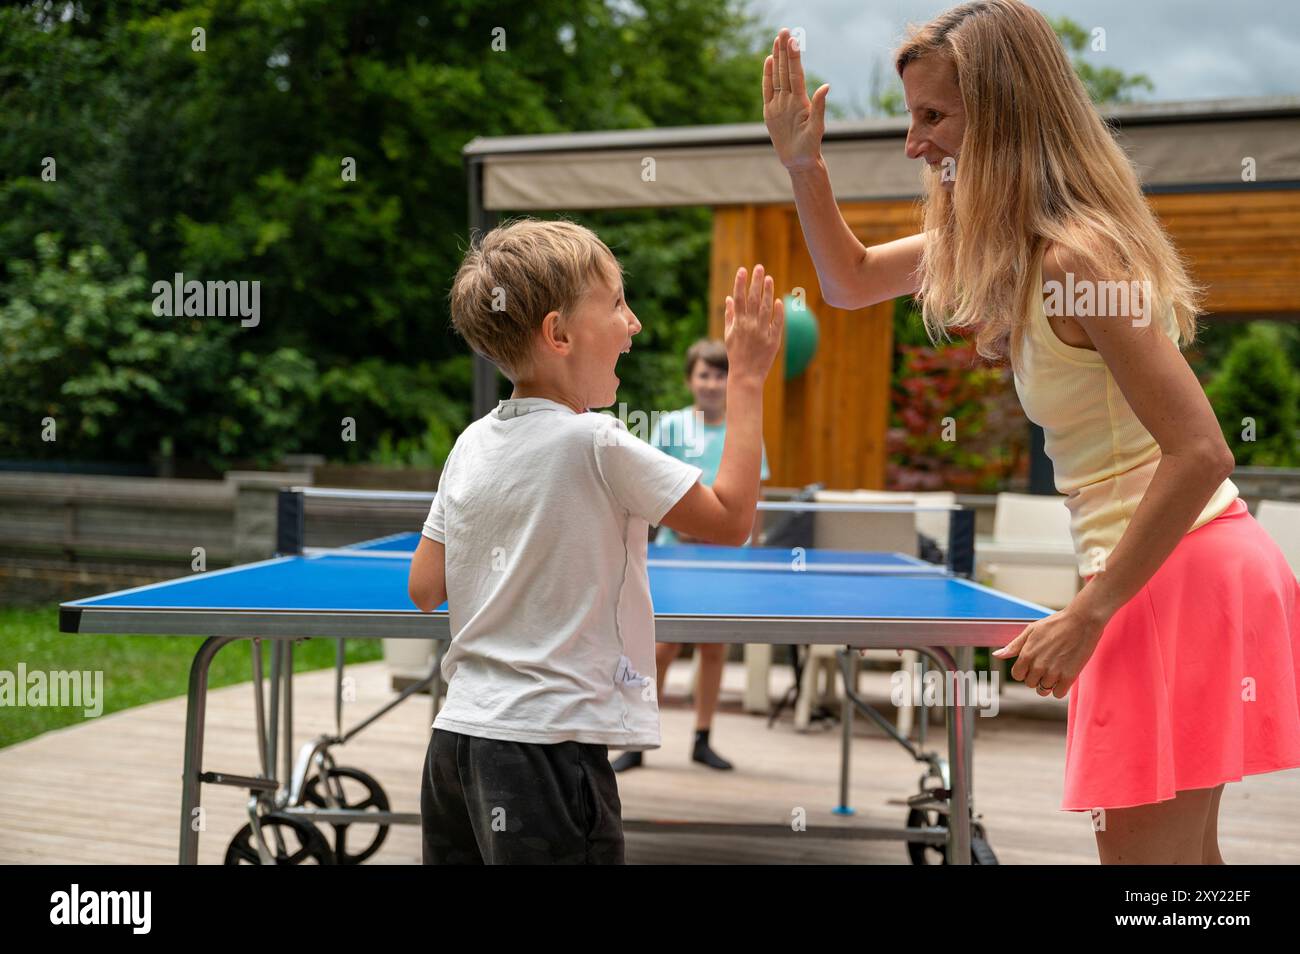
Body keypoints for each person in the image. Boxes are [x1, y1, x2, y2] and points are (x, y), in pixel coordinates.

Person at [763, 3, 1300, 864]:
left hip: (1173, 574)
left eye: (933, 116)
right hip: (1177, 569)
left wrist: (1089, 612)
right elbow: (850, 280)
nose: (914, 144)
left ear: (1004, 115)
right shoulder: (1002, 244)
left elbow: (1203, 451)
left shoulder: (1074, 260)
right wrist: (803, 164)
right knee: (1188, 875)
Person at [408, 217, 783, 864]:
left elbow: (424, 587)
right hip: (548, 752)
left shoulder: (470, 444)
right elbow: (730, 520)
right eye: (616, 304)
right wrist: (747, 379)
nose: (633, 323)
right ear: (558, 334)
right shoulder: (599, 441)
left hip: (457, 745)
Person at [611, 339, 770, 774]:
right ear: (689, 380)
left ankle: (703, 738)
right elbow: (649, 489)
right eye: (704, 375)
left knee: (713, 648)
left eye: (720, 375)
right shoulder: (671, 427)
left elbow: (755, 495)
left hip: (724, 561)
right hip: (676, 557)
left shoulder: (744, 428)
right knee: (661, 648)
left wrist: (744, 545)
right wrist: (693, 526)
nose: (712, 383)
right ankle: (639, 739)